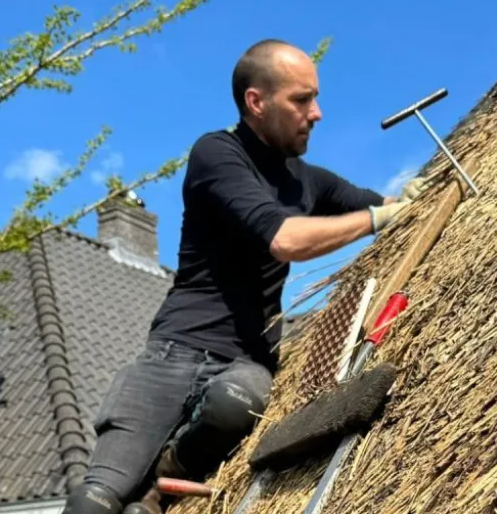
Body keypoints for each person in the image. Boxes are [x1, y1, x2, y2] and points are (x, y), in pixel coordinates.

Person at [61, 39, 428, 514]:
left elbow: (381, 206)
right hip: (175, 350)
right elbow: (284, 239)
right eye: (301, 99)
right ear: (257, 102)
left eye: (315, 97)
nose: (316, 113)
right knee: (95, 499)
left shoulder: (310, 181)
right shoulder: (216, 154)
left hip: (245, 362)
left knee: (237, 402)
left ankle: (165, 478)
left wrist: (403, 203)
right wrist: (380, 219)